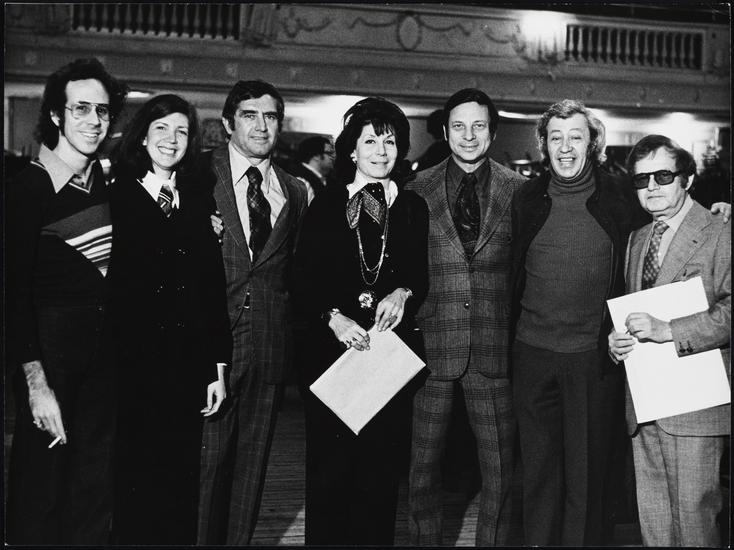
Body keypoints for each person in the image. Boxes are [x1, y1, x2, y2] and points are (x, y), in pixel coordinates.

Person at [511, 99, 730, 546]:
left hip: (631, 377)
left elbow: (684, 229)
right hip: (562, 366)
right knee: (550, 483)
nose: (566, 147)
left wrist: (719, 210)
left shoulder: (625, 200)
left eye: (576, 137)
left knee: (615, 491)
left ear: (593, 144)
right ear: (544, 146)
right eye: (556, 138)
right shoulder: (529, 200)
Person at [293, 97, 429, 545]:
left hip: (387, 360)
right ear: (351, 150)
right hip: (333, 359)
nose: (380, 151)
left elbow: (419, 274)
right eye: (370, 141)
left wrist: (402, 292)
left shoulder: (412, 207)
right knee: (331, 476)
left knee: (379, 478)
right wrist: (332, 318)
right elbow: (303, 278)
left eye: (389, 142)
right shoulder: (326, 204)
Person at [5, 58, 127, 544]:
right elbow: (12, 295)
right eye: (81, 109)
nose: (94, 121)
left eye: (102, 110)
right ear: (56, 115)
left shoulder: (109, 186)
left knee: (94, 487)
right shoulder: (27, 188)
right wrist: (35, 384)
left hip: (104, 359)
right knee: (42, 483)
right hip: (49, 360)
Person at [404, 88, 525, 546]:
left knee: (500, 471)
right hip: (430, 347)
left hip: (494, 348)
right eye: (458, 126)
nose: (468, 135)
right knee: (420, 470)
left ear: (493, 132)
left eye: (478, 126)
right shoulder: (416, 188)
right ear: (445, 131)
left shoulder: (521, 191)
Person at [108, 94, 231, 544]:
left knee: (180, 481)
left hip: (185, 365)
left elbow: (210, 291)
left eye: (181, 131)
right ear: (142, 136)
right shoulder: (115, 197)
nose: (171, 139)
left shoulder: (198, 203)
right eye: (161, 128)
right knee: (133, 479)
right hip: (130, 366)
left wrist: (217, 367)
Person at [197, 79, 309, 545]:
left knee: (251, 469)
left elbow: (294, 272)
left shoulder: (294, 190)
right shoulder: (198, 175)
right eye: (249, 115)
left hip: (268, 345)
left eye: (270, 117)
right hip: (210, 342)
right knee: (205, 466)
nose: (261, 126)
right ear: (228, 124)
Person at [609, 134, 730, 547]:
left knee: (695, 523)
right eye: (641, 180)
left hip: (695, 405)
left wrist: (670, 330)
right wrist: (617, 340)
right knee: (655, 524)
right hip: (645, 405)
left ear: (687, 178)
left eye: (663, 176)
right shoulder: (637, 239)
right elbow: (634, 310)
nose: (652, 187)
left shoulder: (720, 229)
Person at [289, 135, 335, 201]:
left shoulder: (323, 179)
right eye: (329, 153)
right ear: (316, 156)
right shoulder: (302, 182)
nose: (333, 157)